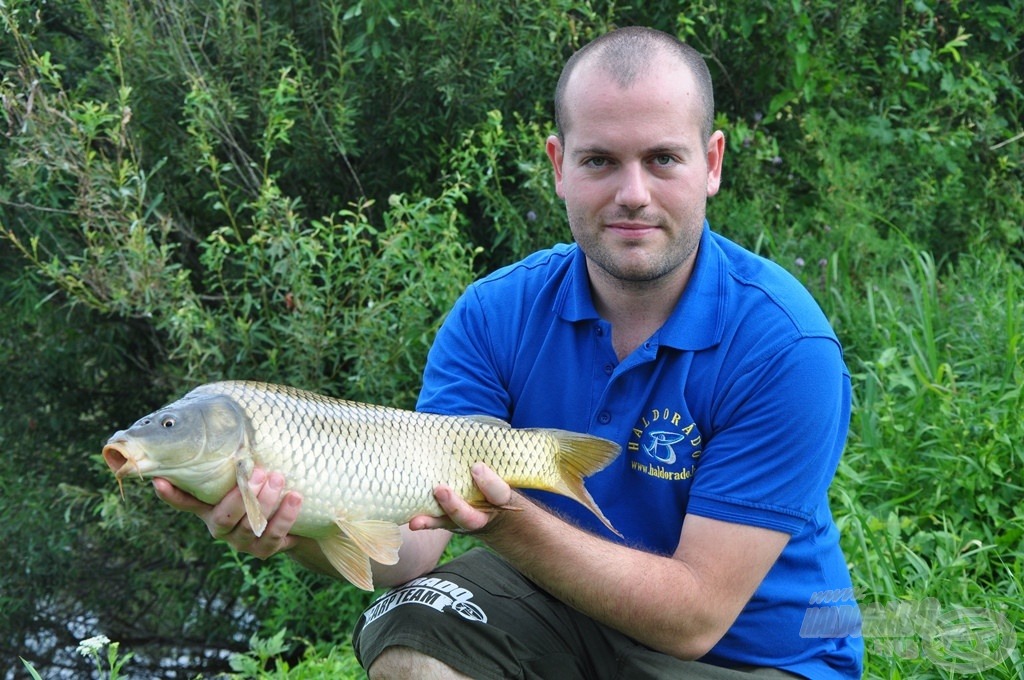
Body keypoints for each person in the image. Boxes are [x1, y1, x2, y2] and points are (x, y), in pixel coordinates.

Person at [155, 26, 863, 679]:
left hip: (751, 657)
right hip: (566, 608)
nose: (633, 194)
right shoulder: (496, 314)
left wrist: (508, 525)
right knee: (410, 631)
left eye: (662, 159)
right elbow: (414, 548)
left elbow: (693, 618)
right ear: (559, 166)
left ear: (710, 163)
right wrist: (296, 529)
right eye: (599, 161)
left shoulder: (783, 344)